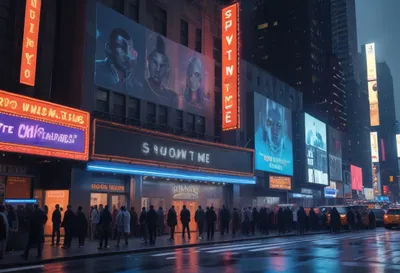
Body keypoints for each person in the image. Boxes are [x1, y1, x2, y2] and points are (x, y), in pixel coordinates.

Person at [95, 28, 143, 94]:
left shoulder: (137, 86)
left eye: (130, 49)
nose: (127, 55)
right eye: (122, 48)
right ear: (109, 48)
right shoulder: (95, 69)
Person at [145, 35, 177, 105]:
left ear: (167, 69)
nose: (158, 69)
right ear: (148, 62)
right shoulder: (141, 87)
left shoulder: (172, 96)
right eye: (154, 63)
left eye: (162, 65)